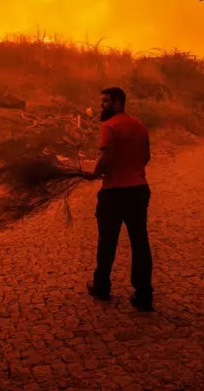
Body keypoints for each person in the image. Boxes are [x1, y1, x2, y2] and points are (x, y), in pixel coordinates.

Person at [84, 86, 153, 310]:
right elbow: (146, 157)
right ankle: (144, 294)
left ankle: (102, 286)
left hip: (114, 192)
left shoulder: (109, 126)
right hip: (139, 190)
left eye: (104, 101)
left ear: (116, 103)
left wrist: (95, 173)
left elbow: (106, 158)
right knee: (140, 242)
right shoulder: (140, 126)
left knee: (107, 242)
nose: (100, 105)